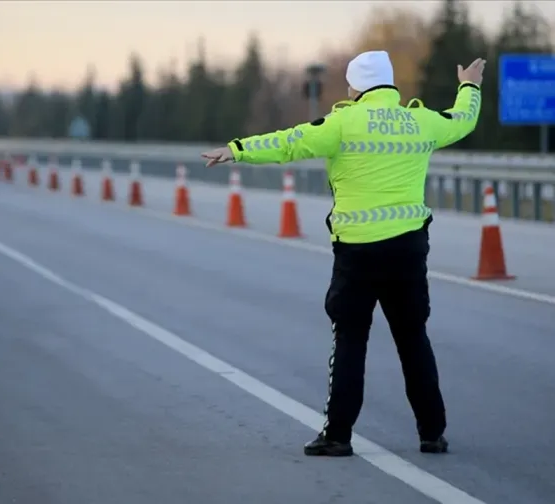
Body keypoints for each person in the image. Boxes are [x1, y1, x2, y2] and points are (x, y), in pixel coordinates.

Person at [202, 50, 485, 457]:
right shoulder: (420, 120)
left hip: (357, 253)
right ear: (388, 83)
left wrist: (237, 149)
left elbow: (289, 142)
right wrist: (469, 86)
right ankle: (432, 433)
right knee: (412, 338)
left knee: (351, 339)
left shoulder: (341, 122)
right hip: (407, 248)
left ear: (356, 87)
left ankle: (338, 435)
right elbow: (463, 120)